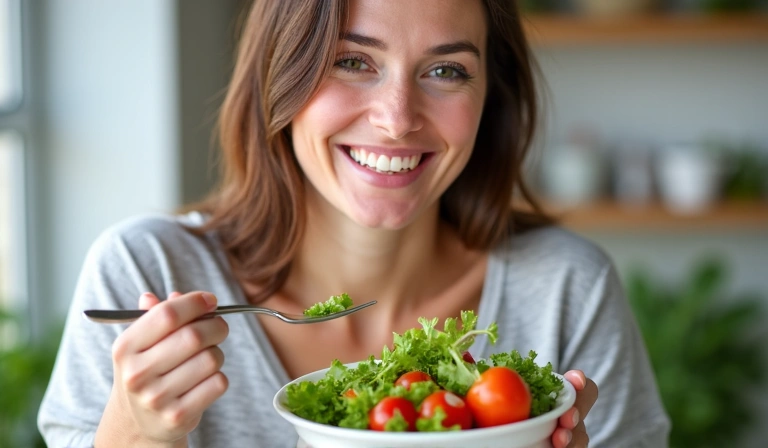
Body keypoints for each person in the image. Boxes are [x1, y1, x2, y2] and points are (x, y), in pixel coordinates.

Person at [38, 0, 670, 447]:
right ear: (280, 73)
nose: (398, 118)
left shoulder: (567, 289)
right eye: (351, 61)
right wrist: (139, 435)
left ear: (490, 98)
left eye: (446, 70)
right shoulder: (144, 271)